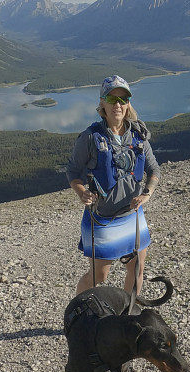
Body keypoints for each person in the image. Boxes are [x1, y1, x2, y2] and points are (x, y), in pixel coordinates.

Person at [66, 75, 161, 296]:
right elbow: (72, 170)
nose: (117, 104)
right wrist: (81, 191)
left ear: (128, 103)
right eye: (112, 98)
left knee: (137, 267)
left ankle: (127, 317)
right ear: (102, 104)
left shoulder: (138, 135)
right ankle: (77, 312)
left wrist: (147, 194)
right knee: (100, 275)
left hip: (133, 216)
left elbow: (154, 169)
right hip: (103, 217)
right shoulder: (91, 138)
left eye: (123, 98)